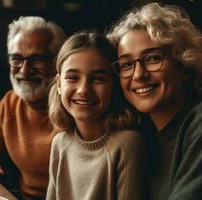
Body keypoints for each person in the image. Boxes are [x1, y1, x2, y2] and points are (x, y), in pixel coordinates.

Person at [108, 3, 202, 200]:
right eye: (126, 64)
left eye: (153, 58)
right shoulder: (142, 136)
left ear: (184, 64)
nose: (138, 75)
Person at [0, 16, 66, 200]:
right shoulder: (9, 103)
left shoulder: (74, 105)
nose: (24, 70)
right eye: (16, 59)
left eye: (37, 59)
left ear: (57, 61)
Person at [46, 31, 145, 200]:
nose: (83, 90)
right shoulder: (60, 143)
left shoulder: (127, 144)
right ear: (59, 84)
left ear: (114, 86)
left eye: (98, 79)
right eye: (73, 77)